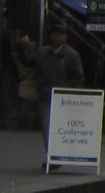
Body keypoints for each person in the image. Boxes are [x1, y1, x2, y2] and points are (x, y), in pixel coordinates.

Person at [36, 26, 86, 162]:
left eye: (60, 34)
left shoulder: (72, 55)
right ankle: (52, 155)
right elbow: (32, 63)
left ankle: (57, 154)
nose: (57, 37)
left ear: (65, 37)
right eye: (54, 34)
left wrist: (69, 91)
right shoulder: (43, 52)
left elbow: (77, 76)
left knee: (60, 127)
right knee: (47, 127)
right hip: (46, 94)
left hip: (62, 97)